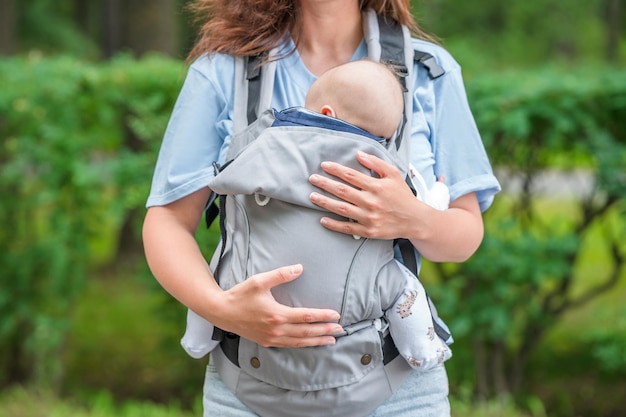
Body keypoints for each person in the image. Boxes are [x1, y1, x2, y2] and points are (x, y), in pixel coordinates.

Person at [142, 1, 501, 416]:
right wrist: (223, 310)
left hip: (395, 396)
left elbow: (464, 235)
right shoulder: (224, 72)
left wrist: (412, 217)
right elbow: (167, 221)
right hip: (247, 391)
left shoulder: (428, 70)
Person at [180, 59, 452, 372]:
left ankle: (197, 339)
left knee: (221, 272)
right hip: (357, 305)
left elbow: (224, 180)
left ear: (324, 112)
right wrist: (440, 195)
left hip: (258, 285)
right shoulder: (385, 168)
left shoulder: (270, 142)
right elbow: (423, 206)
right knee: (404, 287)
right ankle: (423, 351)